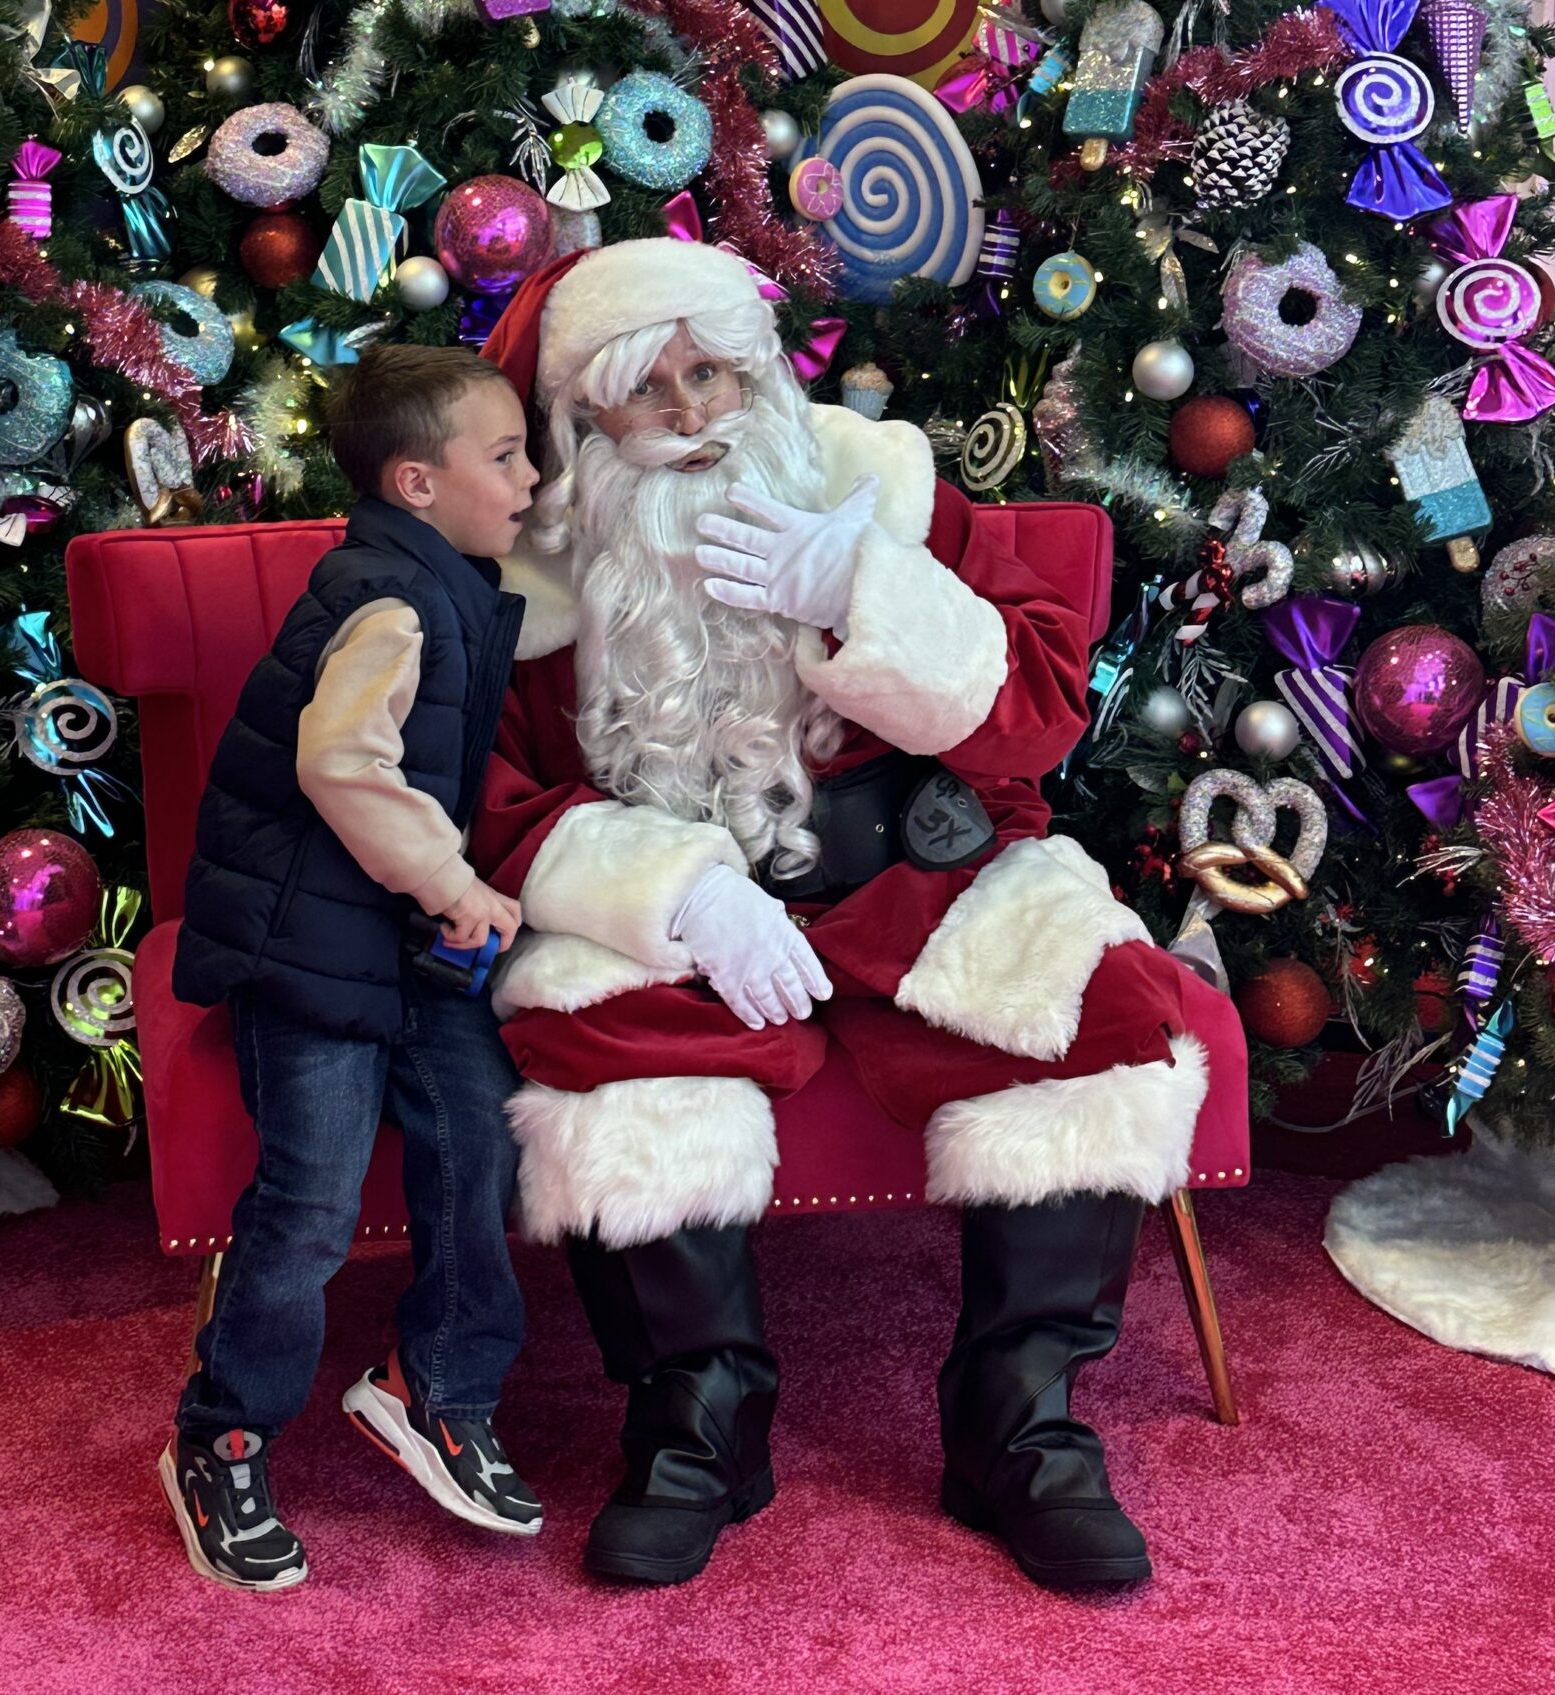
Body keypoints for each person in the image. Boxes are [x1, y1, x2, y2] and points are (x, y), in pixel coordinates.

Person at [469, 240, 1249, 1590]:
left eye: (713, 372)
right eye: (648, 391)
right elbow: (483, 799)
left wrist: (866, 592)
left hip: (920, 872)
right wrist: (674, 893)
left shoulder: (874, 483)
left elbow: (1045, 707)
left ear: (757, 369)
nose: (695, 415)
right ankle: (696, 1422)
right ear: (580, 416)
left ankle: (1021, 1424)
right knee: (601, 1050)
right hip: (695, 908)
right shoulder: (526, 574)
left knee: (1106, 1008)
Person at [161, 343, 545, 1590]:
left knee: (477, 1136)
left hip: (392, 945)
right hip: (310, 947)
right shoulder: (389, 598)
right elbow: (341, 764)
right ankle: (218, 1438)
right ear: (416, 482)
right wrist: (453, 885)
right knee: (312, 1207)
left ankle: (433, 1387)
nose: (530, 477)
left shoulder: (445, 576)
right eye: (504, 456)